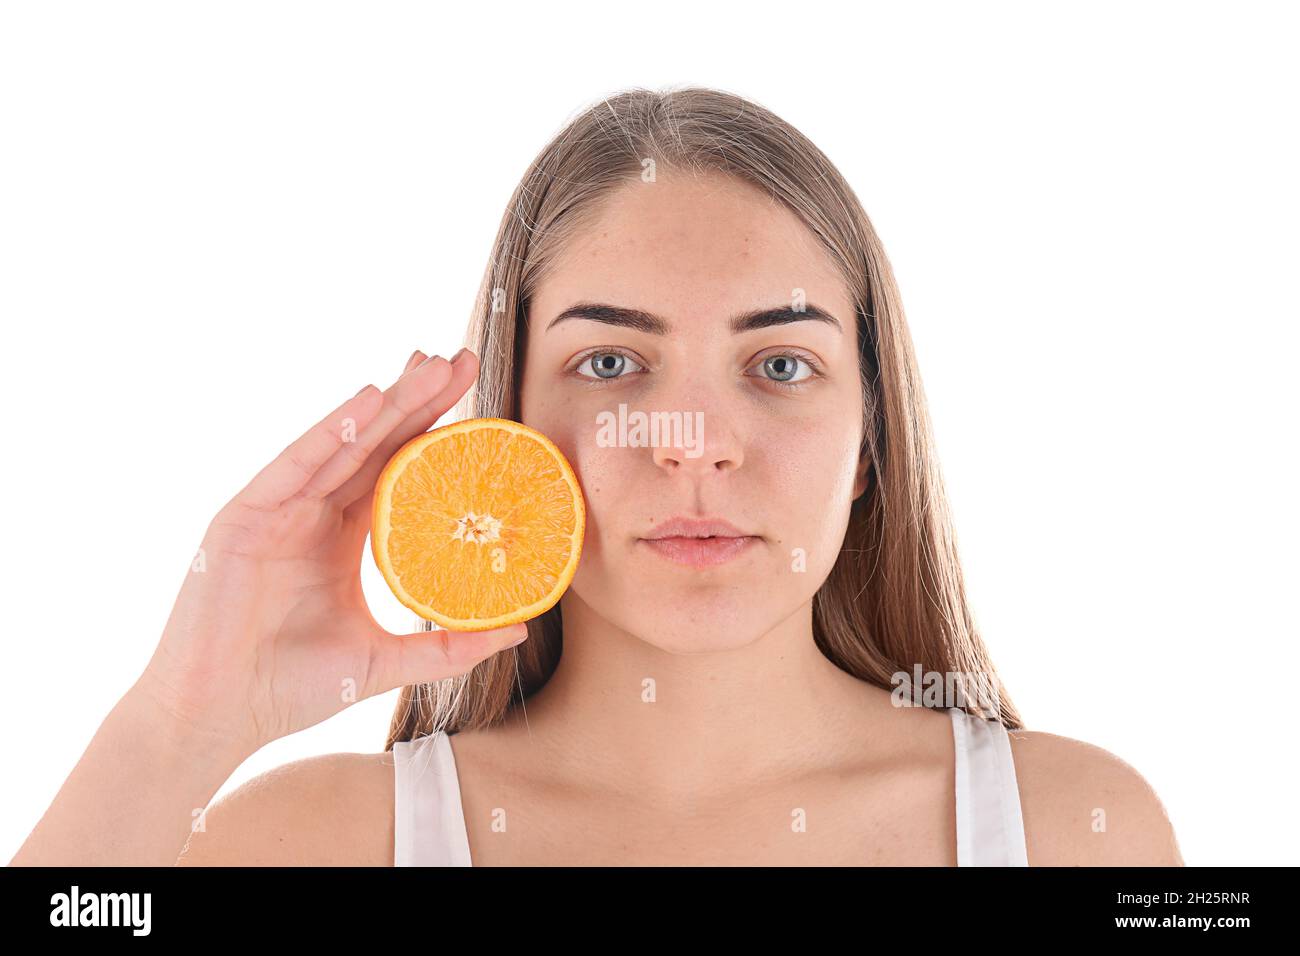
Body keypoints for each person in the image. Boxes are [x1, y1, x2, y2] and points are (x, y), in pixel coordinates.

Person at [11, 87, 1183, 866]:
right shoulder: (316, 841)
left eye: (780, 362)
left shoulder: (1076, 831)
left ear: (871, 436)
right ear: (510, 424)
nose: (692, 438)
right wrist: (179, 721)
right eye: (612, 361)